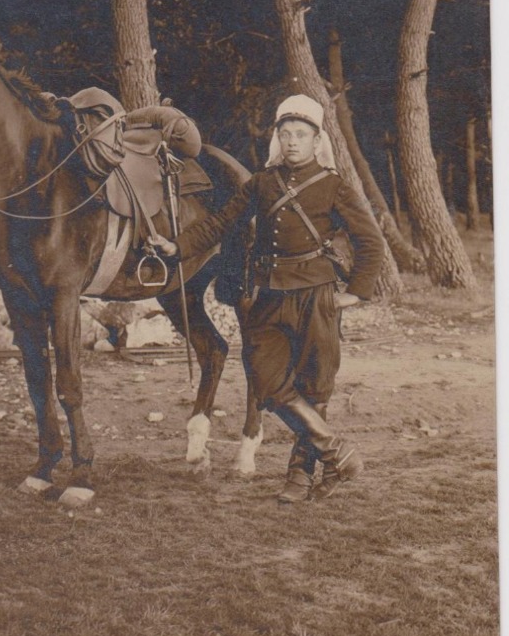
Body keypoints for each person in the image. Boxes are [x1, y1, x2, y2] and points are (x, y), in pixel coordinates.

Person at [152, 94, 385, 503]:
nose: (292, 141)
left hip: (315, 295)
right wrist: (177, 246)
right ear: (277, 138)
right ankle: (337, 451)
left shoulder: (335, 186)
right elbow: (220, 224)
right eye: (285, 133)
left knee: (313, 388)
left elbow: (371, 242)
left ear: (317, 141)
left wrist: (355, 294)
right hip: (266, 297)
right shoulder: (260, 183)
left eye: (301, 135)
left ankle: (298, 478)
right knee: (267, 384)